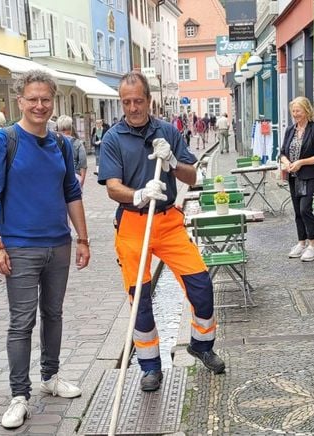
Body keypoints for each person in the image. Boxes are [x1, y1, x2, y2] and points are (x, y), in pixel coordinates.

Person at [98, 71, 225, 393]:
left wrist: (170, 163)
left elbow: (193, 177)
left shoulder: (168, 132)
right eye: (126, 102)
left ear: (149, 100)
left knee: (201, 286)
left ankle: (201, 344)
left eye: (137, 101)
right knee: (140, 301)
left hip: (168, 222)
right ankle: (150, 367)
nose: (132, 108)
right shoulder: (113, 138)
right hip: (132, 225)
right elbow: (113, 187)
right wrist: (138, 194)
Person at [0, 69, 90, 430]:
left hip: (58, 245)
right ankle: (18, 395)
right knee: (21, 323)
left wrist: (83, 239)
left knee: (54, 314)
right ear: (20, 101)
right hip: (20, 247)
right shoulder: (3, 140)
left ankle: (51, 377)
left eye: (45, 99)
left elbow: (72, 193)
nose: (40, 105)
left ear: (52, 101)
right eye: (33, 99)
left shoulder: (61, 144)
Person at [279, 96, 314, 262]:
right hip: (294, 176)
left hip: (310, 175)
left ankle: (313, 245)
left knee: (306, 209)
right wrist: (286, 162)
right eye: (293, 111)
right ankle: (301, 242)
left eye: (298, 111)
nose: (295, 114)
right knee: (298, 211)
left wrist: (301, 162)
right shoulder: (290, 130)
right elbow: (282, 152)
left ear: (307, 111)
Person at [57, 115, 87, 187]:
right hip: (75, 177)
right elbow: (83, 163)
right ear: (71, 128)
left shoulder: (54, 142)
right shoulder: (78, 143)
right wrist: (82, 180)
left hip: (60, 178)